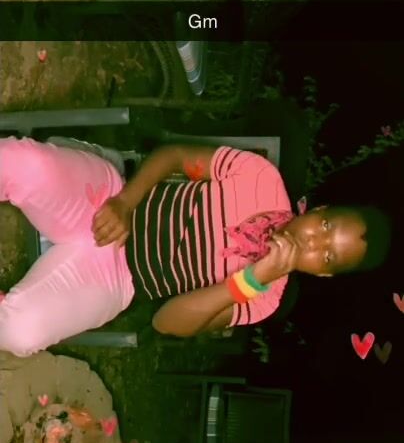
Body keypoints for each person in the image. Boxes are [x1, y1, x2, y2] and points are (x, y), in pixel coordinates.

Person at [0, 136, 391, 357]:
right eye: (325, 226)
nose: (312, 241)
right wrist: (126, 202)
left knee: (21, 332)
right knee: (24, 164)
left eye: (327, 254)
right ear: (318, 210)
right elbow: (175, 156)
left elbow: (166, 322)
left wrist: (252, 279)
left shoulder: (265, 299)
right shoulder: (261, 177)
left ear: (323, 273)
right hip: (109, 199)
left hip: (114, 279)